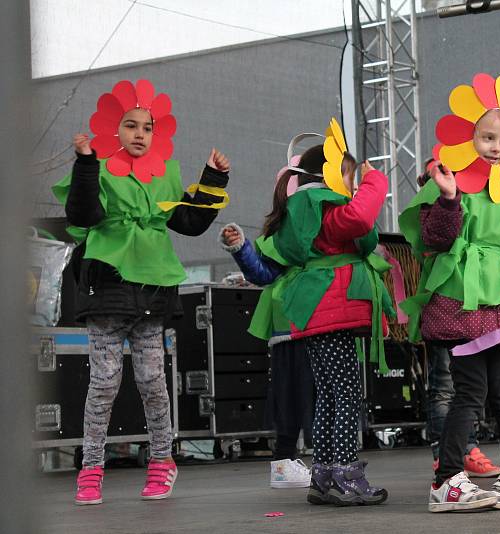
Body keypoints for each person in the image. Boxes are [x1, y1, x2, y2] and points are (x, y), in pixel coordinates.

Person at [53, 79, 231, 505]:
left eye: (147, 127)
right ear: (114, 130)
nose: (139, 134)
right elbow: (83, 212)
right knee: (104, 382)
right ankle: (92, 467)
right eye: (130, 125)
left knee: (153, 380)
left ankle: (162, 461)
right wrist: (85, 163)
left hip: (152, 291)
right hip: (108, 290)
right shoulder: (99, 165)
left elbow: (188, 222)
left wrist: (213, 178)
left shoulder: (164, 171)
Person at [400, 74, 500, 512]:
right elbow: (434, 239)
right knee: (469, 392)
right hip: (462, 295)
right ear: (466, 137)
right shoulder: (449, 180)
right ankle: (447, 479)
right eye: (487, 137)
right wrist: (450, 200)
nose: (495, 146)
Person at [229, 119, 393, 506]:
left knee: (329, 395)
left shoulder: (299, 214)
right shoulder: (324, 209)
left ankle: (323, 474)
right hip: (330, 314)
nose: (352, 188)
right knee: (347, 393)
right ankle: (344, 474)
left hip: (314, 317)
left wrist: (241, 250)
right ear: (330, 175)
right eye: (348, 178)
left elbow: (268, 267)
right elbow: (360, 219)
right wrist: (375, 183)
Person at [219, 162, 315, 490]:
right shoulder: (290, 230)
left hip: (311, 321)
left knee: (306, 396)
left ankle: (295, 462)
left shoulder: (325, 221)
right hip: (297, 324)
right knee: (300, 397)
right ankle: (290, 462)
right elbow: (262, 274)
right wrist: (241, 248)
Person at [416, 162, 500, 478]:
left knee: (470, 386)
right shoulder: (434, 201)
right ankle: (447, 453)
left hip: (469, 311)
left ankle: (467, 447)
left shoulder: (478, 196)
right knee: (444, 386)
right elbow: (434, 239)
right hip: (443, 308)